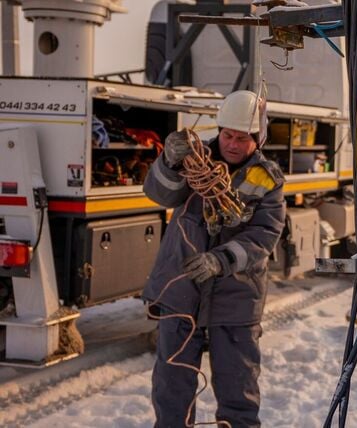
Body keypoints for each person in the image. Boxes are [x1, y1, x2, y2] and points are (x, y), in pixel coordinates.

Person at [143, 90, 286, 427]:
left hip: (235, 301)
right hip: (181, 295)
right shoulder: (194, 160)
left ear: (258, 139)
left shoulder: (267, 178)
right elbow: (159, 194)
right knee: (171, 391)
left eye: (242, 138)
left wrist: (220, 261)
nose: (233, 144)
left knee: (239, 391)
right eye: (227, 135)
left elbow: (265, 234)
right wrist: (167, 162)